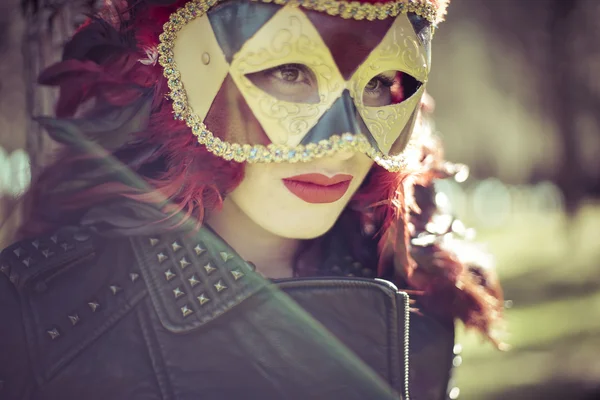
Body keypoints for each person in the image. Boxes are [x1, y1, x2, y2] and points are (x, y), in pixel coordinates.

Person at [0, 0, 504, 399]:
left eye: (376, 83)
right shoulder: (40, 317)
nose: (344, 142)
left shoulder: (419, 306)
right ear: (180, 77)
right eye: (289, 71)